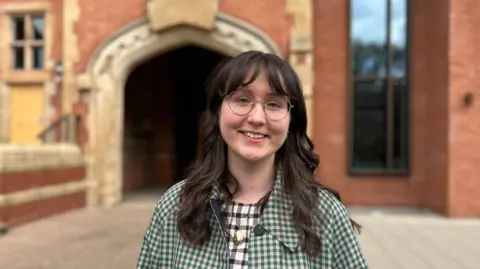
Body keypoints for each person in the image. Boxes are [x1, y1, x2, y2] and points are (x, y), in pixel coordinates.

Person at [136, 51, 368, 268]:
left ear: (291, 122)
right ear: (218, 113)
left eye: (274, 104)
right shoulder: (175, 205)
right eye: (242, 100)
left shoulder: (326, 213)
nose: (256, 118)